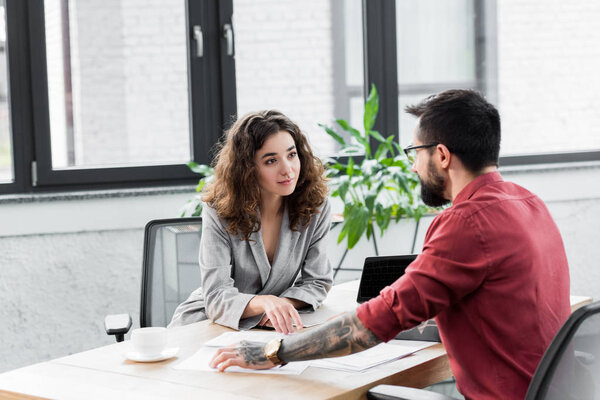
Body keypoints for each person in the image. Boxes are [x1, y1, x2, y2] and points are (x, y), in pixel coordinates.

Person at [209, 90, 571, 400]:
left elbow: (376, 323)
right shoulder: (530, 204)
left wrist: (274, 352)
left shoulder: (465, 222)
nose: (413, 166)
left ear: (442, 156)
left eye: (415, 152)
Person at [169, 110, 333, 334]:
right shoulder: (219, 211)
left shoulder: (315, 207)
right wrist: (264, 303)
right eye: (271, 160)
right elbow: (216, 297)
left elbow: (317, 282)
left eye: (291, 155)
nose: (287, 169)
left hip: (269, 327)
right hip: (209, 323)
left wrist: (278, 307)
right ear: (247, 168)